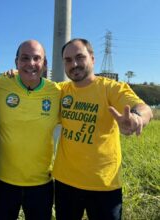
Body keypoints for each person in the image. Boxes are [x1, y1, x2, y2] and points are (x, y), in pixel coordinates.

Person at [52, 38, 153, 220]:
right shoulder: (60, 90)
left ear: (92, 58)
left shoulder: (110, 88)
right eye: (68, 60)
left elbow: (143, 108)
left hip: (104, 184)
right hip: (65, 182)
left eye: (80, 57)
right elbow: (33, 88)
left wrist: (137, 118)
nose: (74, 64)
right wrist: (12, 76)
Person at [0, 40, 61, 220]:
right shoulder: (1, 83)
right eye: (25, 58)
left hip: (41, 183)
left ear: (45, 64)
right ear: (16, 62)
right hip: (2, 181)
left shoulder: (56, 92)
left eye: (37, 58)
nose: (31, 63)